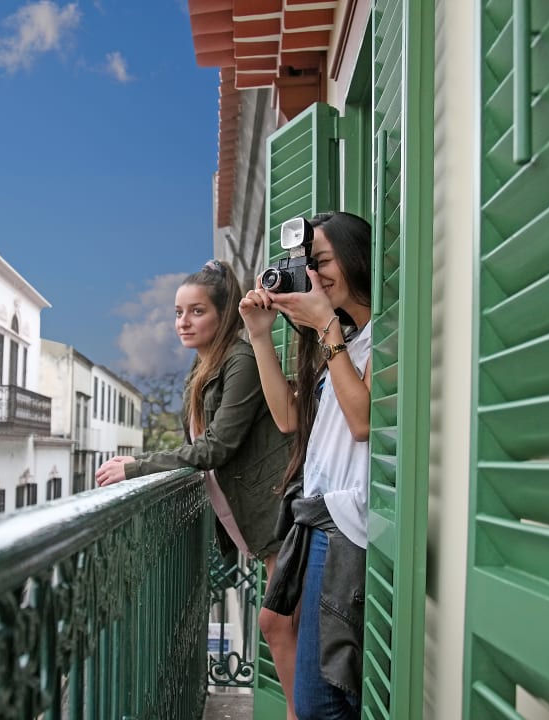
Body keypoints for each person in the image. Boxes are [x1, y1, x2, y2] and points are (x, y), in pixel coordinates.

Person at [95, 259, 299, 716]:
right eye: (177, 312)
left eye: (196, 312)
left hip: (272, 510)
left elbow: (218, 447)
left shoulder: (239, 360)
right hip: (253, 513)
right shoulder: (204, 366)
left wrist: (138, 466)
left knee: (280, 625)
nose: (182, 322)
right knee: (285, 626)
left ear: (222, 315)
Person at [239, 211, 372, 720]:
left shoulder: (380, 338)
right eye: (306, 268)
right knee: (320, 693)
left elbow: (363, 422)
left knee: (325, 699)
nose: (313, 278)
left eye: (321, 263)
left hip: (345, 527)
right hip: (319, 519)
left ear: (357, 258)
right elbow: (288, 417)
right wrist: (258, 335)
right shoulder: (341, 339)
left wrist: (324, 326)